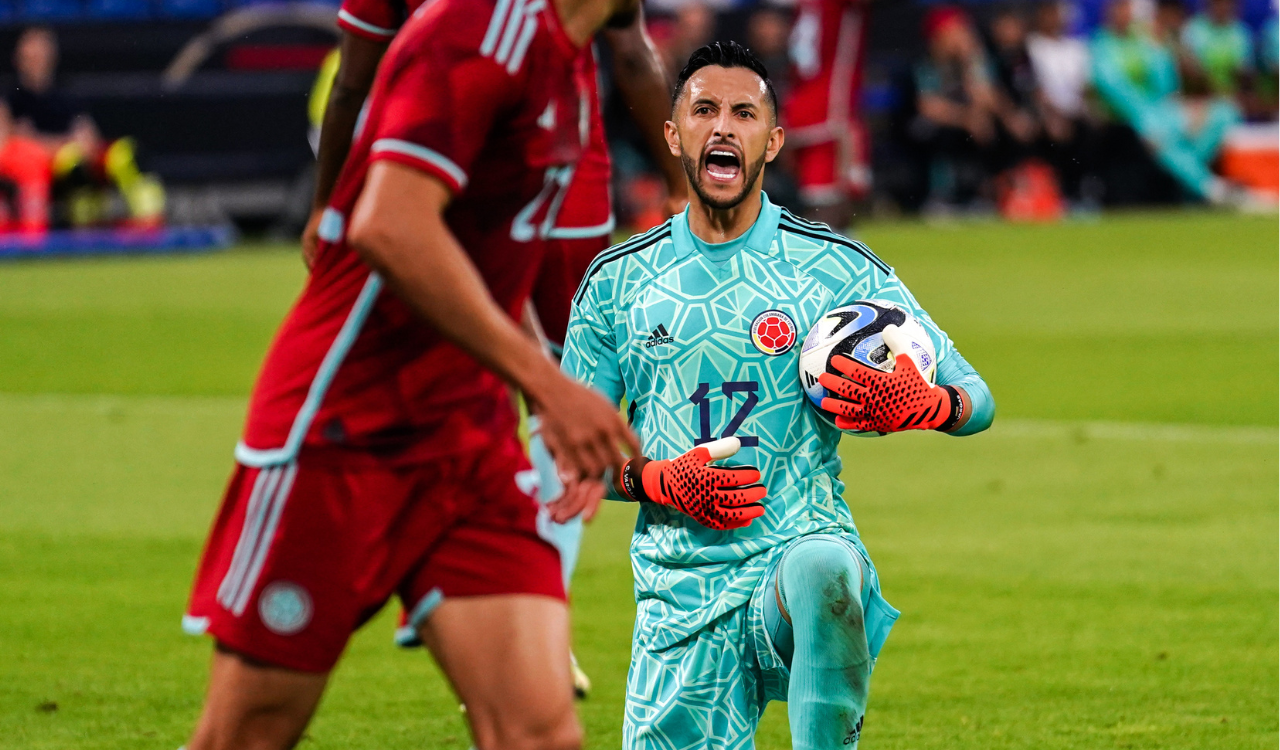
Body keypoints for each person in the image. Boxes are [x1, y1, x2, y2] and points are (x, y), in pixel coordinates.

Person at [180, 0, 642, 746]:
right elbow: (388, 224)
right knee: (249, 733)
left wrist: (541, 398)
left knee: (540, 732)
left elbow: (484, 261)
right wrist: (551, 385)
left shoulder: (568, 60)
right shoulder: (473, 30)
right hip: (343, 428)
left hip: (466, 440)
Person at [561, 41, 995, 750]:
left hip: (792, 557)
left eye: (743, 113)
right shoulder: (616, 284)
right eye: (703, 110)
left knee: (824, 566)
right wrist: (658, 480)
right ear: (673, 135)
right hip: (682, 594)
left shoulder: (833, 267)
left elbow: (977, 396)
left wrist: (929, 405)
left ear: (774, 139)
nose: (723, 127)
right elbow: (562, 459)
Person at [301, 0, 682, 697]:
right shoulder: (505, 28)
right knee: (570, 386)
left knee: (485, 377)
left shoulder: (472, 31)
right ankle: (511, 608)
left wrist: (328, 208)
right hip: (546, 185)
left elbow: (353, 82)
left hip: (451, 182)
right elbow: (631, 56)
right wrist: (683, 186)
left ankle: (475, 594)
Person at [1090, 0, 1250, 204]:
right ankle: (1209, 187)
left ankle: (1191, 185)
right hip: (1132, 116)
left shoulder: (1145, 42)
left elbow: (1168, 87)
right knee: (1159, 133)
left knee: (1224, 112)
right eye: (1121, 9)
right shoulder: (1101, 44)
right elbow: (1115, 92)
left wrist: (1159, 47)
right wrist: (1156, 112)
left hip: (1163, 112)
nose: (1126, 15)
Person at [8, 27, 163, 227]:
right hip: (46, 163)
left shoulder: (66, 95)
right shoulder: (12, 99)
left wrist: (80, 144)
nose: (37, 59)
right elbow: (12, 141)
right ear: (19, 57)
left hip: (76, 153)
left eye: (42, 52)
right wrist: (58, 145)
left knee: (125, 153)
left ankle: (149, 225)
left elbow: (88, 134)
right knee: (72, 161)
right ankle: (85, 231)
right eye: (31, 54)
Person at [783, 0, 870, 227]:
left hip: (803, 103)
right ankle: (823, 253)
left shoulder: (807, 5)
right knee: (829, 200)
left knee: (838, 195)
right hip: (827, 108)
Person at [909, 5, 1002, 212]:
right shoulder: (925, 62)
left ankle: (978, 195)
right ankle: (939, 196)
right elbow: (929, 107)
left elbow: (987, 101)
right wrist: (967, 119)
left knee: (990, 130)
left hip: (963, 124)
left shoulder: (972, 62)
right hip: (926, 128)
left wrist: (971, 63)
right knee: (941, 134)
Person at [1027, 1, 1101, 205]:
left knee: (1093, 126)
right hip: (1047, 112)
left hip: (1076, 111)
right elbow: (1035, 89)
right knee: (1057, 132)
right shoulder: (1032, 46)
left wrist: (1088, 108)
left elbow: (1086, 87)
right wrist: (1054, 113)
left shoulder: (1077, 48)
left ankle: (1084, 191)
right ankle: (1059, 193)